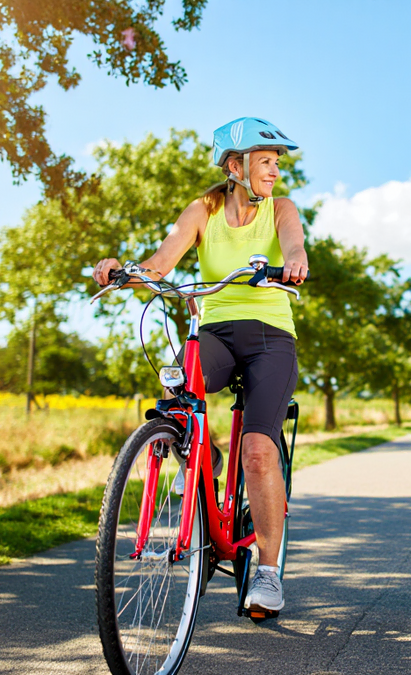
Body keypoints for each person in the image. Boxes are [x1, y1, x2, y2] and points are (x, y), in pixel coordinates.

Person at [92, 117, 309, 613]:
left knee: (256, 449)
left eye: (276, 163)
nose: (274, 172)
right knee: (176, 399)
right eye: (266, 163)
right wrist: (123, 271)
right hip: (215, 332)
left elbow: (294, 244)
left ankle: (270, 574)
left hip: (271, 337)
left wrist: (293, 262)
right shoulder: (203, 210)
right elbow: (161, 263)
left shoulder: (282, 208)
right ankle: (204, 468)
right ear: (236, 166)